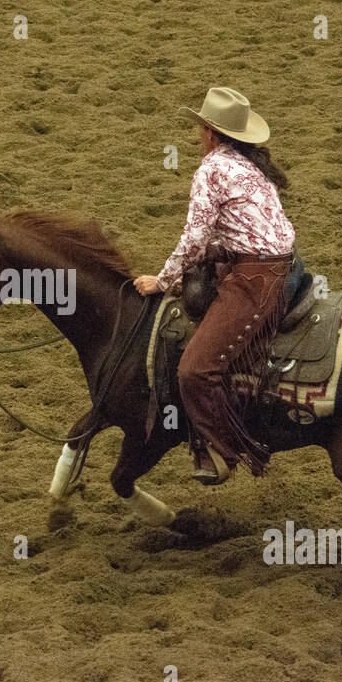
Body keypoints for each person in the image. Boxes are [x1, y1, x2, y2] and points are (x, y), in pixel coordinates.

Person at [133, 87, 296, 484]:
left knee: (195, 370)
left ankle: (225, 451)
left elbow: (193, 240)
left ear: (208, 131)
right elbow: (243, 230)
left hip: (256, 277)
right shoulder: (250, 166)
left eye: (199, 130)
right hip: (280, 264)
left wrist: (163, 280)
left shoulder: (210, 170)